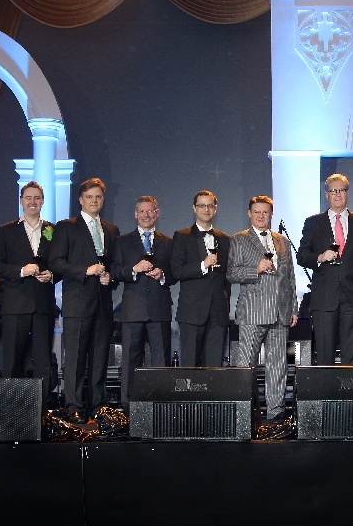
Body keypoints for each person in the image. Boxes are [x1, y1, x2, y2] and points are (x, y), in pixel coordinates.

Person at [49, 177, 119, 424]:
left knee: (99, 358)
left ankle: (97, 405)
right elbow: (55, 262)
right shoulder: (66, 227)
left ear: (103, 199)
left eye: (98, 197)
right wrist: (85, 271)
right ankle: (74, 406)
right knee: (76, 358)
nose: (94, 201)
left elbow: (114, 264)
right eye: (89, 197)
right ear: (80, 200)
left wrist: (110, 277)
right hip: (77, 302)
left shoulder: (111, 229)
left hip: (102, 303)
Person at [228, 196, 298, 421]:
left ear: (271, 214)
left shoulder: (282, 241)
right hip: (253, 311)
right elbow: (231, 273)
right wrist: (255, 269)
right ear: (249, 214)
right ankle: (243, 413)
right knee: (245, 365)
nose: (261, 215)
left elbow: (289, 277)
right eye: (256, 212)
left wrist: (293, 308)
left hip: (280, 311)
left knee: (278, 365)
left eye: (265, 212)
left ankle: (275, 411)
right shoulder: (239, 239)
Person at [296, 173, 353, 365]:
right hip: (324, 297)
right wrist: (320, 257)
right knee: (325, 355)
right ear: (326, 195)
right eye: (333, 191)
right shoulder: (313, 223)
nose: (337, 194)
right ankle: (326, 386)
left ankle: (349, 386)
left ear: (348, 193)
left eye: (341, 190)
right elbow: (302, 256)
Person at [0, 181, 57, 402]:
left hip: (43, 304)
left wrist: (52, 275)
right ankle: (10, 407)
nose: (32, 202)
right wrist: (21, 271)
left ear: (43, 201)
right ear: (21, 201)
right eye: (28, 198)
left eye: (37, 198)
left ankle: (42, 409)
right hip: (15, 304)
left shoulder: (52, 230)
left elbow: (60, 263)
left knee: (43, 361)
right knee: (11, 361)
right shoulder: (7, 230)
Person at [111, 196, 173, 406]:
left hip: (159, 308)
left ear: (157, 213)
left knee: (161, 360)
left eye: (150, 211)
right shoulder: (122, 241)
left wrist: (162, 274)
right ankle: (128, 406)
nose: (146, 215)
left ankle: (161, 405)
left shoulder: (168, 242)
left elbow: (175, 272)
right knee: (130, 360)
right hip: (132, 309)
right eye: (142, 211)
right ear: (136, 214)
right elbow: (115, 271)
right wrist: (133, 270)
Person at [171, 190, 232, 367]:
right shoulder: (182, 236)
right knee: (190, 367)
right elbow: (177, 271)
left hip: (218, 313)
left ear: (215, 209)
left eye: (210, 205)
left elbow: (226, 276)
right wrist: (203, 265)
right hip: (192, 312)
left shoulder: (224, 238)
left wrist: (225, 302)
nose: (206, 209)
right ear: (194, 208)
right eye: (202, 205)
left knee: (214, 367)